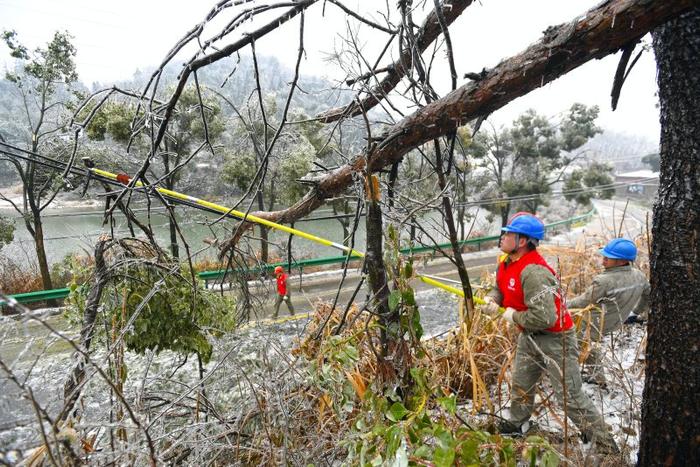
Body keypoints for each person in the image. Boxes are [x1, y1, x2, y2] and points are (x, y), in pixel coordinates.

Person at [482, 213, 619, 455]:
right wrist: (492, 299)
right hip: (529, 336)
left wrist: (510, 315)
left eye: (508, 233)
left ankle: (606, 445)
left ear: (523, 241)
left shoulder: (534, 272)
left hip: (556, 339)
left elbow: (546, 318)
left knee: (569, 396)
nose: (502, 237)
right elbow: (499, 288)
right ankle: (516, 424)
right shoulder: (506, 262)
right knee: (522, 384)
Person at [568, 238, 650, 386]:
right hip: (615, 321)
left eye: (608, 257)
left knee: (571, 346)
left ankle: (570, 381)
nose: (603, 260)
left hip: (593, 322)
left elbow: (583, 302)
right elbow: (648, 295)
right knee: (589, 346)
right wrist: (635, 312)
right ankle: (599, 380)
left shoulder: (604, 281)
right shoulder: (639, 276)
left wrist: (563, 305)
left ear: (621, 261)